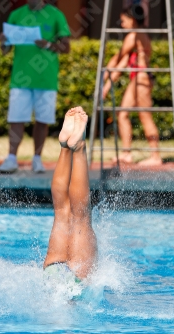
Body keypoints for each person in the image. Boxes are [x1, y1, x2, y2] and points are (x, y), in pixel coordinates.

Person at [0, 0, 71, 174]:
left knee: (42, 120)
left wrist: (47, 44)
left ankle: (37, 159)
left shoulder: (56, 15)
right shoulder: (16, 14)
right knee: (16, 118)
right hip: (20, 79)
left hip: (46, 79)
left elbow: (66, 47)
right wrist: (3, 42)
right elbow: (6, 50)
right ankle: (11, 158)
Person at [43, 106, 97, 291]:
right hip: (65, 279)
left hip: (55, 279)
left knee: (65, 213)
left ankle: (68, 147)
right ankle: (74, 147)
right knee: (75, 217)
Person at [102, 5, 162, 168]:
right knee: (122, 115)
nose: (121, 24)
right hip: (138, 79)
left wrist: (103, 77)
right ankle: (127, 153)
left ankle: (155, 156)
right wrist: (106, 84)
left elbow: (118, 57)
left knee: (145, 116)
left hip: (141, 79)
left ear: (132, 20)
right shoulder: (137, 36)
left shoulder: (134, 36)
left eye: (123, 20)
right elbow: (121, 64)